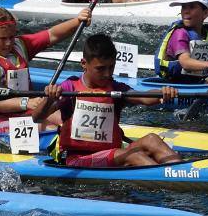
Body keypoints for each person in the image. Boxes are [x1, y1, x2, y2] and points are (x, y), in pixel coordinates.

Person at [33, 34, 181, 167]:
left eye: (111, 67)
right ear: (84, 63)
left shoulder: (116, 88)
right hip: (78, 159)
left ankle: (181, 172)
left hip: (112, 154)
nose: (107, 74)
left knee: (152, 139)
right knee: (133, 155)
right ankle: (167, 180)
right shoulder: (69, 88)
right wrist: (48, 99)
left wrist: (162, 93)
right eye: (101, 68)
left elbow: (144, 97)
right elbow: (37, 117)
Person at [0, 7, 92, 133]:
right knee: (49, 126)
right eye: (2, 38)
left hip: (17, 113)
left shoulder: (18, 46)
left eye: (11, 37)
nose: (8, 43)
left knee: (63, 116)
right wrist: (27, 102)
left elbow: (51, 35)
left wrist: (77, 21)